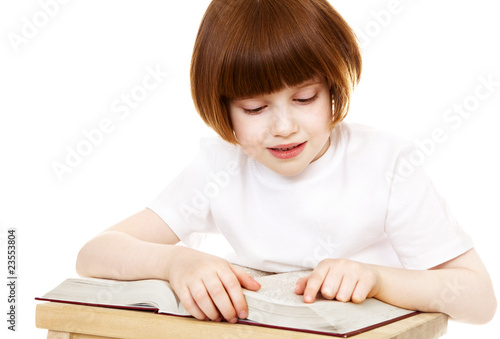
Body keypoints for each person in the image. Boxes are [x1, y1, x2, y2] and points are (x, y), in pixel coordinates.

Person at [76, 0, 496, 326]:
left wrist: (378, 279)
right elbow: (95, 254)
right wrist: (174, 261)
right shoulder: (220, 168)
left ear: (333, 88)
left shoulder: (386, 163)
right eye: (255, 108)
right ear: (224, 111)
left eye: (304, 99)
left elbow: (479, 301)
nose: (284, 127)